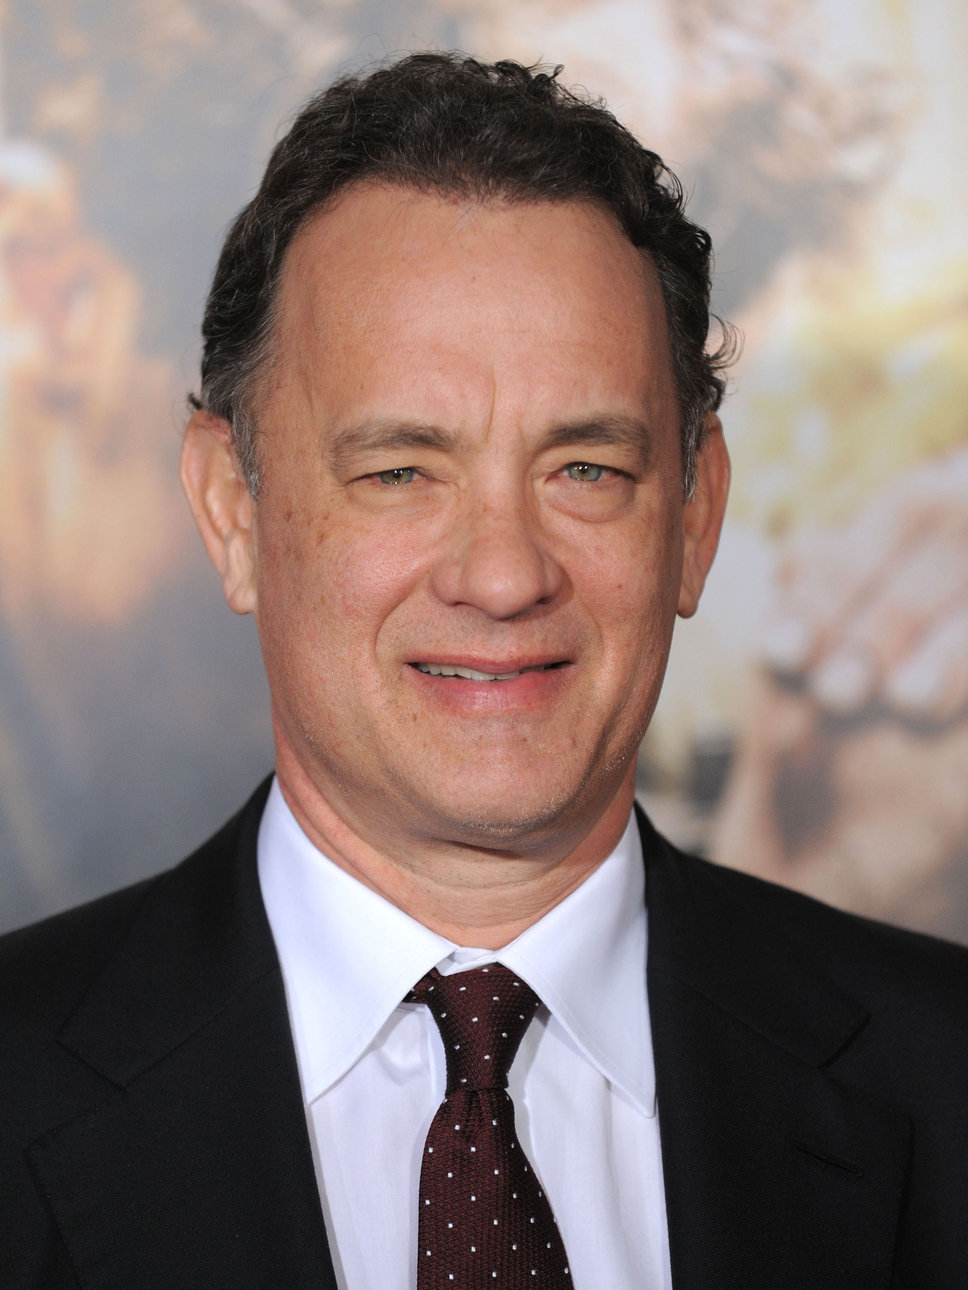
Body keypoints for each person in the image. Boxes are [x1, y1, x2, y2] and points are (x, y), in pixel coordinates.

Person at [1, 52, 966, 1290]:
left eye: (585, 470)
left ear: (694, 514)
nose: (503, 576)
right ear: (233, 509)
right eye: (401, 471)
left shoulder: (939, 1081)